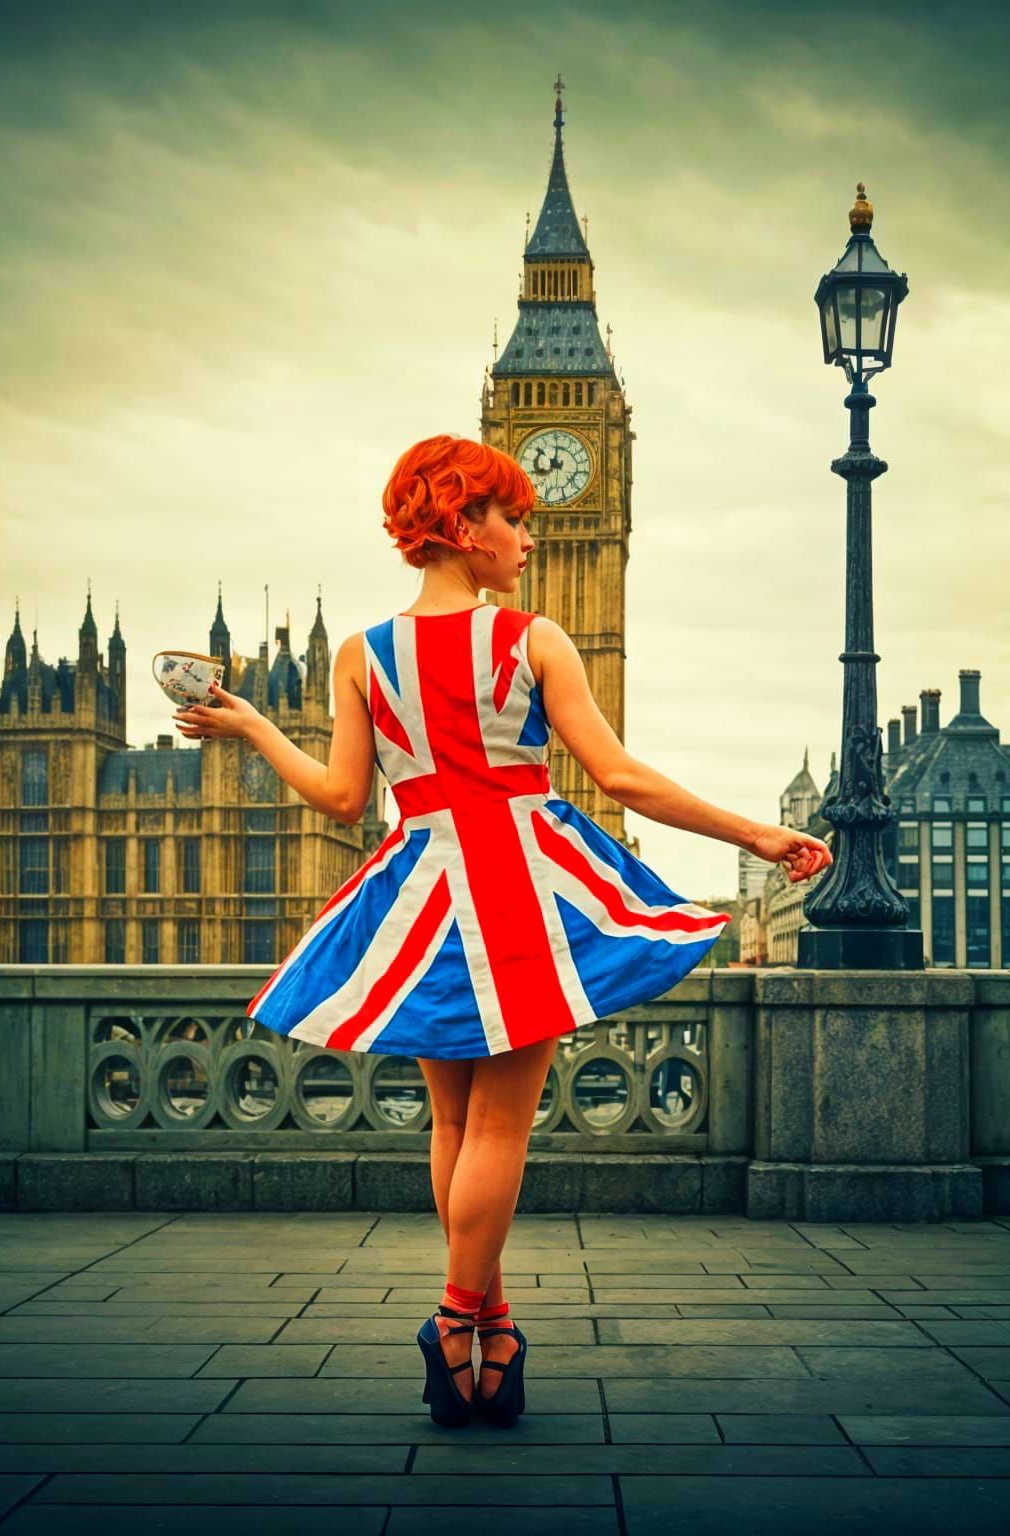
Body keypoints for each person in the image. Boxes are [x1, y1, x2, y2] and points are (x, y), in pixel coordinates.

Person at [173, 433, 832, 1428]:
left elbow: (343, 799)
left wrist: (259, 726)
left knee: (452, 1129)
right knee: (498, 1132)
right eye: (513, 518)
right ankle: (455, 1325)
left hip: (421, 892)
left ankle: (490, 1324)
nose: (529, 538)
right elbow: (620, 777)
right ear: (461, 523)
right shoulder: (532, 640)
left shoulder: (361, 654)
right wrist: (756, 833)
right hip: (519, 888)